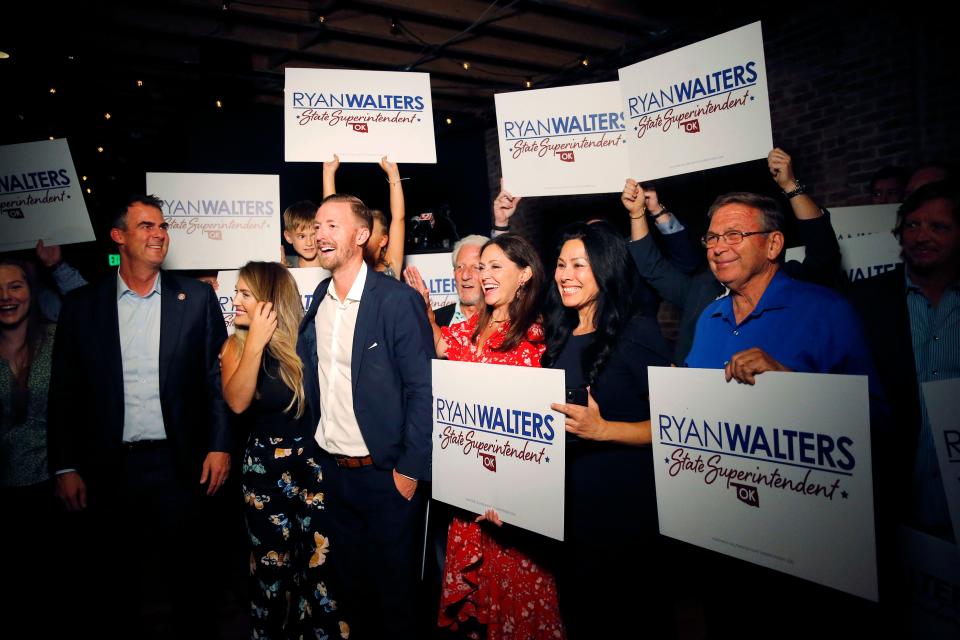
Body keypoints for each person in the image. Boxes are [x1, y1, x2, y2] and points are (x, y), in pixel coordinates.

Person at [47, 194, 232, 635]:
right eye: (146, 225)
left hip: (180, 466)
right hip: (108, 468)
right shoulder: (83, 307)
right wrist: (66, 465)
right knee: (113, 588)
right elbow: (65, 392)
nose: (159, 234)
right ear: (119, 237)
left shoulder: (198, 299)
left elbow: (216, 380)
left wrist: (220, 445)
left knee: (191, 587)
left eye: (163, 226)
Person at [296, 193, 433, 638]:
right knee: (351, 594)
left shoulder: (394, 301)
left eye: (332, 225)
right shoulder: (319, 299)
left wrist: (410, 470)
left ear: (361, 235)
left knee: (395, 601)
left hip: (387, 478)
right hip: (336, 478)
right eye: (317, 225)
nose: (320, 233)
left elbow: (423, 389)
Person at [416, 233, 564, 640]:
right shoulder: (472, 329)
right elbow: (446, 352)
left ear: (525, 275)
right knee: (477, 621)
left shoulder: (537, 338)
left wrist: (511, 499)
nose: (484, 275)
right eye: (482, 267)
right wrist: (427, 314)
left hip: (513, 516)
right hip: (472, 507)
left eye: (495, 266)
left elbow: (536, 435)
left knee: (519, 617)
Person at [542, 223, 674, 639]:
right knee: (581, 618)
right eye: (561, 264)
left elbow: (676, 429)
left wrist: (603, 430)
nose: (565, 274)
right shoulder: (559, 333)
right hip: (569, 511)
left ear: (606, 269)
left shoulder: (637, 332)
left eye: (578, 265)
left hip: (624, 510)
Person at [220, 261, 349, 639]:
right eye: (237, 292)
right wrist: (256, 343)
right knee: (271, 571)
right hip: (264, 472)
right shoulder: (235, 345)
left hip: (313, 464)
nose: (236, 299)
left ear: (270, 299)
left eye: (245, 293)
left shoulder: (306, 341)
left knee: (320, 568)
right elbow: (238, 402)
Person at [628, 148, 842, 363]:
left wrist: (791, 187)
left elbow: (824, 254)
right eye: (712, 237)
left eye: (734, 235)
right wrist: (640, 213)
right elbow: (652, 268)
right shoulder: (701, 291)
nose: (719, 247)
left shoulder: (808, 300)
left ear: (773, 245)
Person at [849, 181, 960, 542]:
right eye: (912, 226)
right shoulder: (866, 299)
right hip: (891, 494)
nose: (922, 236)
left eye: (938, 227)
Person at [0, 259, 59, 630]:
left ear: (31, 292)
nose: (5, 297)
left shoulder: (58, 340)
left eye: (15, 286)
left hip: (54, 486)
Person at [323, 154, 406, 278]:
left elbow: (398, 217)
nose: (362, 233)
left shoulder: (391, 265)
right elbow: (330, 215)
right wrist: (328, 173)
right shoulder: (347, 265)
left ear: (383, 240)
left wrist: (393, 173)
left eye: (370, 230)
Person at [404, 234, 488, 328]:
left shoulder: (503, 324)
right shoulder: (433, 320)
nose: (465, 275)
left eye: (475, 267)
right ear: (453, 273)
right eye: (460, 267)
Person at [282, 200, 322, 268]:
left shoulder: (334, 265)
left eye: (313, 235)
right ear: (288, 237)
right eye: (301, 236)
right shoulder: (283, 266)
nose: (309, 243)